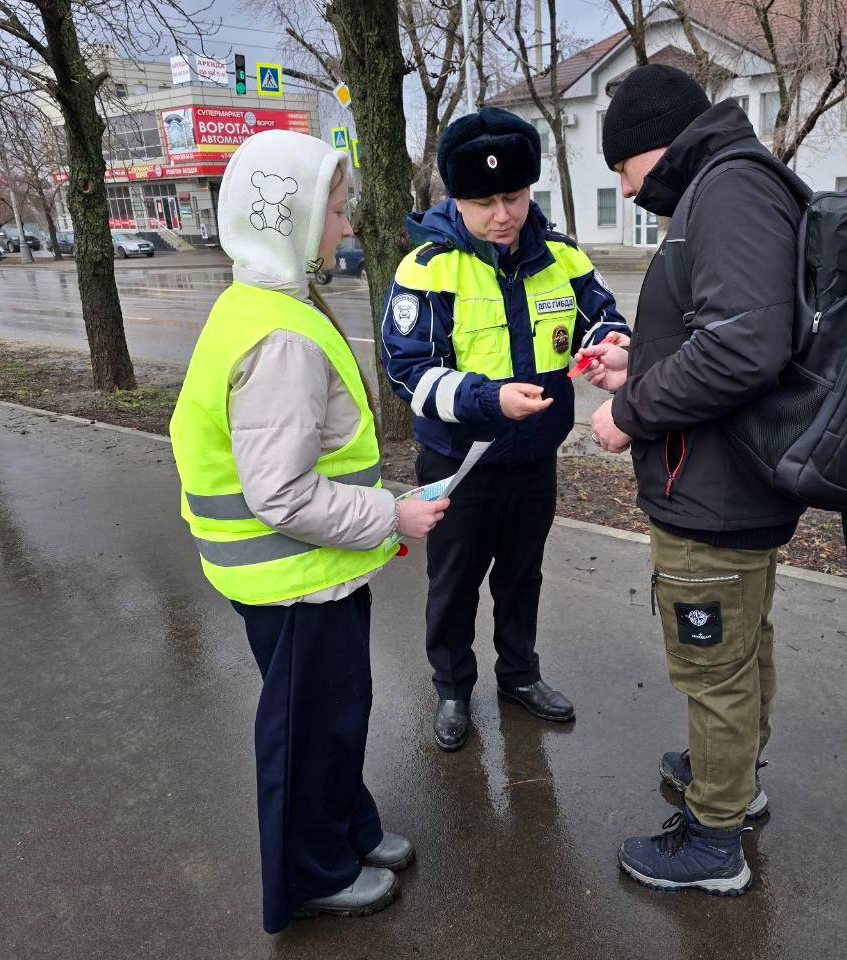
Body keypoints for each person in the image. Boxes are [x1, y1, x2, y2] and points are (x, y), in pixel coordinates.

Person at [169, 129, 448, 931]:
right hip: (294, 576)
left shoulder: (261, 303)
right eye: (333, 210)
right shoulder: (281, 334)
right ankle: (312, 872)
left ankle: (347, 828)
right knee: (308, 728)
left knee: (333, 713)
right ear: (286, 218)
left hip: (303, 572)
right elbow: (283, 494)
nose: (345, 226)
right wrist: (392, 514)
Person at [576, 64, 812, 896]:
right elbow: (734, 335)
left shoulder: (725, 192)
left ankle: (716, 837)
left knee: (714, 665)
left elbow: (744, 348)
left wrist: (631, 411)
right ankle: (730, 775)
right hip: (729, 480)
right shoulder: (729, 184)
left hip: (713, 494)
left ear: (650, 150)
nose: (630, 191)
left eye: (623, 173)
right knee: (742, 648)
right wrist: (638, 363)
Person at [382, 108, 630, 751]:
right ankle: (453, 689)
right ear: (456, 199)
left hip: (532, 462)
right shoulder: (426, 269)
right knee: (454, 582)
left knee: (523, 576)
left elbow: (601, 319)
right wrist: (488, 399)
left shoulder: (564, 261)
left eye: (513, 197)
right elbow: (408, 372)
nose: (502, 214)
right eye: (484, 201)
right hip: (456, 468)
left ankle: (519, 675)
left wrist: (610, 347)